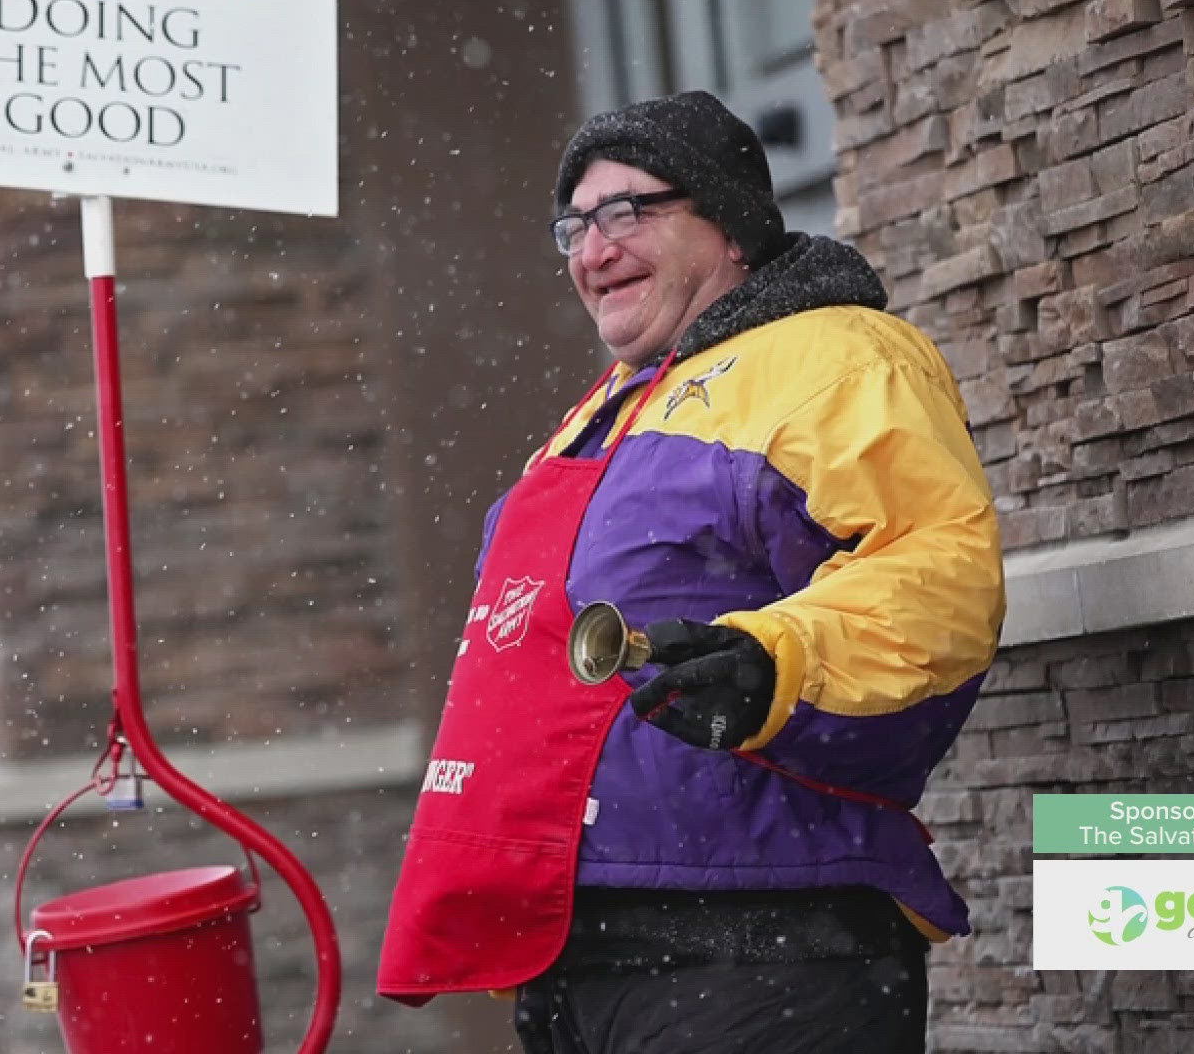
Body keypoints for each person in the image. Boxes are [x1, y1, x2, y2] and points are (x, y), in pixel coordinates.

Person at [378, 91, 1006, 1054]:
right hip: (577, 951)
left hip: (758, 942)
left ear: (731, 225)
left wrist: (773, 660)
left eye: (630, 210)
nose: (596, 249)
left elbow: (937, 568)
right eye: (576, 225)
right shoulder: (610, 407)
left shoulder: (836, 355)